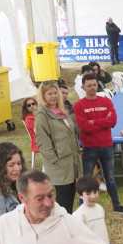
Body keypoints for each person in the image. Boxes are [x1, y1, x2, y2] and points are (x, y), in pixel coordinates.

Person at [74, 73, 123, 215]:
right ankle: (83, 209)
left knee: (110, 177)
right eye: (89, 85)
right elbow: (84, 126)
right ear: (83, 87)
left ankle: (117, 206)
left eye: (94, 84)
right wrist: (103, 122)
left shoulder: (106, 102)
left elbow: (113, 121)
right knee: (86, 179)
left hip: (106, 146)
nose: (93, 87)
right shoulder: (79, 106)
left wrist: (93, 121)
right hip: (89, 147)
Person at [34, 80, 81, 214]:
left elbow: (71, 133)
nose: (54, 96)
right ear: (43, 96)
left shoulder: (62, 111)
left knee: (70, 192)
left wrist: (77, 150)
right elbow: (43, 141)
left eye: (55, 93)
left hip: (71, 160)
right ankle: (60, 224)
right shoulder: (42, 116)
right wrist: (54, 159)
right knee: (63, 196)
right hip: (59, 163)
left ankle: (67, 221)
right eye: (50, 94)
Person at [21, 97, 39, 168]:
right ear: (26, 108)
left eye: (33, 103)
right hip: (38, 141)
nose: (32, 106)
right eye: (28, 105)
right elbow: (37, 130)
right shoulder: (28, 118)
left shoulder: (37, 114)